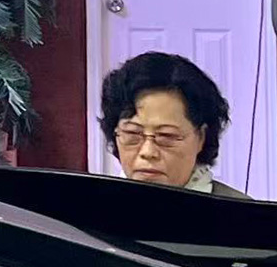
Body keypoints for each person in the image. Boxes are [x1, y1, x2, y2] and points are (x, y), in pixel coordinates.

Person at [99, 51, 248, 198]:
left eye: (166, 136)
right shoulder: (91, 204)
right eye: (132, 133)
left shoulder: (239, 210)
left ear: (201, 137)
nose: (148, 152)